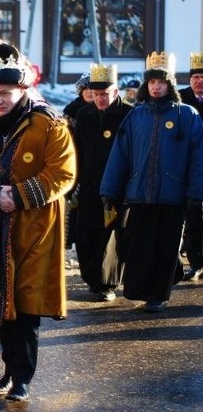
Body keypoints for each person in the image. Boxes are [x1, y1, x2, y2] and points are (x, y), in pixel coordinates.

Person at [0, 43, 76, 402]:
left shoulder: (49, 124)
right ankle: (8, 371)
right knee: (0, 303)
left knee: (26, 307)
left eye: (5, 93)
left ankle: (22, 377)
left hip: (34, 231)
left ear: (22, 90)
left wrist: (17, 195)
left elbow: (63, 173)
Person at [100, 51, 203, 313]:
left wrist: (195, 194)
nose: (156, 87)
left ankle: (158, 295)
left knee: (166, 247)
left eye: (162, 82)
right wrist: (110, 189)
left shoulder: (187, 115)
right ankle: (140, 289)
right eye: (152, 82)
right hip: (139, 194)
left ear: (170, 84)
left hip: (173, 195)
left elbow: (197, 158)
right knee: (139, 245)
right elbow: (120, 155)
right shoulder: (136, 116)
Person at [73, 63, 132, 301]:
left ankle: (107, 283)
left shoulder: (128, 114)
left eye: (104, 94)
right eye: (96, 95)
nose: (100, 99)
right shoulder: (83, 115)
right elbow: (77, 151)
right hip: (88, 184)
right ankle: (91, 278)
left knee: (110, 236)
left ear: (115, 92)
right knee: (86, 233)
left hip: (117, 185)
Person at [179, 52, 203, 281]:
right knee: (193, 217)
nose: (199, 81)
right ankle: (196, 261)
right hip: (189, 166)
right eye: (196, 76)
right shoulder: (182, 99)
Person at [63, 72, 93, 250]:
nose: (89, 92)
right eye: (86, 88)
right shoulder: (71, 111)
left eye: (93, 88)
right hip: (75, 160)